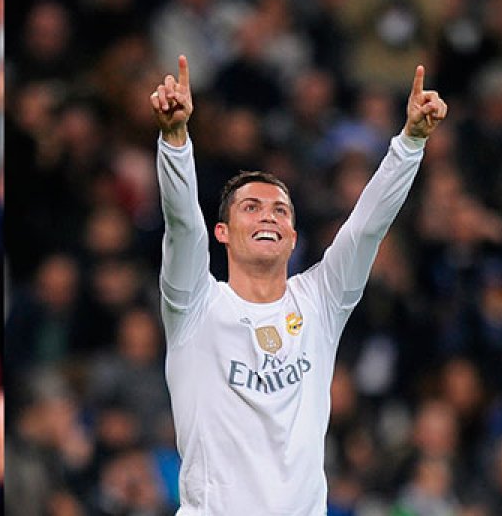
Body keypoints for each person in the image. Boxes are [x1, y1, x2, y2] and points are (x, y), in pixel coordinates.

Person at [150, 55, 446, 514]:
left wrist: (410, 143)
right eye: (251, 207)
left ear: (292, 238)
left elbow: (366, 227)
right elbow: (182, 224)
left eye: (280, 210)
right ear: (222, 233)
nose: (268, 214)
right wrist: (174, 141)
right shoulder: (195, 304)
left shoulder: (320, 303)